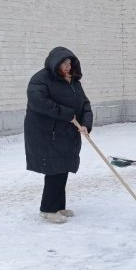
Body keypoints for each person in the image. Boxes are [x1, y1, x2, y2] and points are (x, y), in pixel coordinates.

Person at [24, 46, 93, 224]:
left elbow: (84, 104)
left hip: (66, 132)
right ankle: (48, 209)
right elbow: (39, 103)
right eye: (64, 63)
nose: (68, 66)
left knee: (62, 168)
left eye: (70, 62)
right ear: (55, 62)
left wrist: (86, 123)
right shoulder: (40, 80)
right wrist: (66, 113)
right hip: (47, 132)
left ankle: (58, 206)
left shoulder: (73, 81)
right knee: (54, 169)